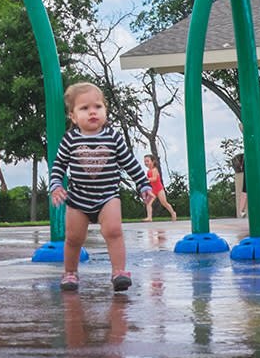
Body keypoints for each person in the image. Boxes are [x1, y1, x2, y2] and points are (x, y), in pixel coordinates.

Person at [49, 83, 153, 292]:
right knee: (73, 238)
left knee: (114, 231)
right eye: (84, 108)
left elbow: (130, 162)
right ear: (73, 116)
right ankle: (70, 273)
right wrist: (56, 185)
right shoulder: (70, 139)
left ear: (105, 110)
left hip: (108, 196)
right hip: (78, 199)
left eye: (98, 106)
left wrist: (143, 184)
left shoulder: (113, 137)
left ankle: (119, 272)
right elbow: (59, 165)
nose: (93, 112)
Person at [142, 154, 177, 221]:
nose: (146, 163)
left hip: (159, 189)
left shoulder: (154, 170)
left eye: (147, 161)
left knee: (164, 203)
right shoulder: (148, 171)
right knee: (148, 203)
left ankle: (173, 213)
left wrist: (147, 179)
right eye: (145, 161)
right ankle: (149, 217)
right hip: (153, 189)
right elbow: (150, 181)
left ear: (153, 162)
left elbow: (154, 179)